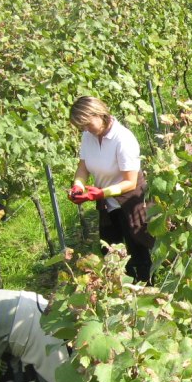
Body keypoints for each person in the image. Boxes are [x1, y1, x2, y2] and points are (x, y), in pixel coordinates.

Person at [66, 96, 154, 284]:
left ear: (99, 114)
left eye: (87, 124)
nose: (85, 129)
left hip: (130, 201)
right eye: (82, 126)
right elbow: (83, 167)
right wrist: (78, 185)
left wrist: (100, 193)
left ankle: (146, 289)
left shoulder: (123, 139)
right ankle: (121, 289)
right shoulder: (88, 136)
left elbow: (130, 182)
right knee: (110, 252)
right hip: (107, 204)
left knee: (138, 249)